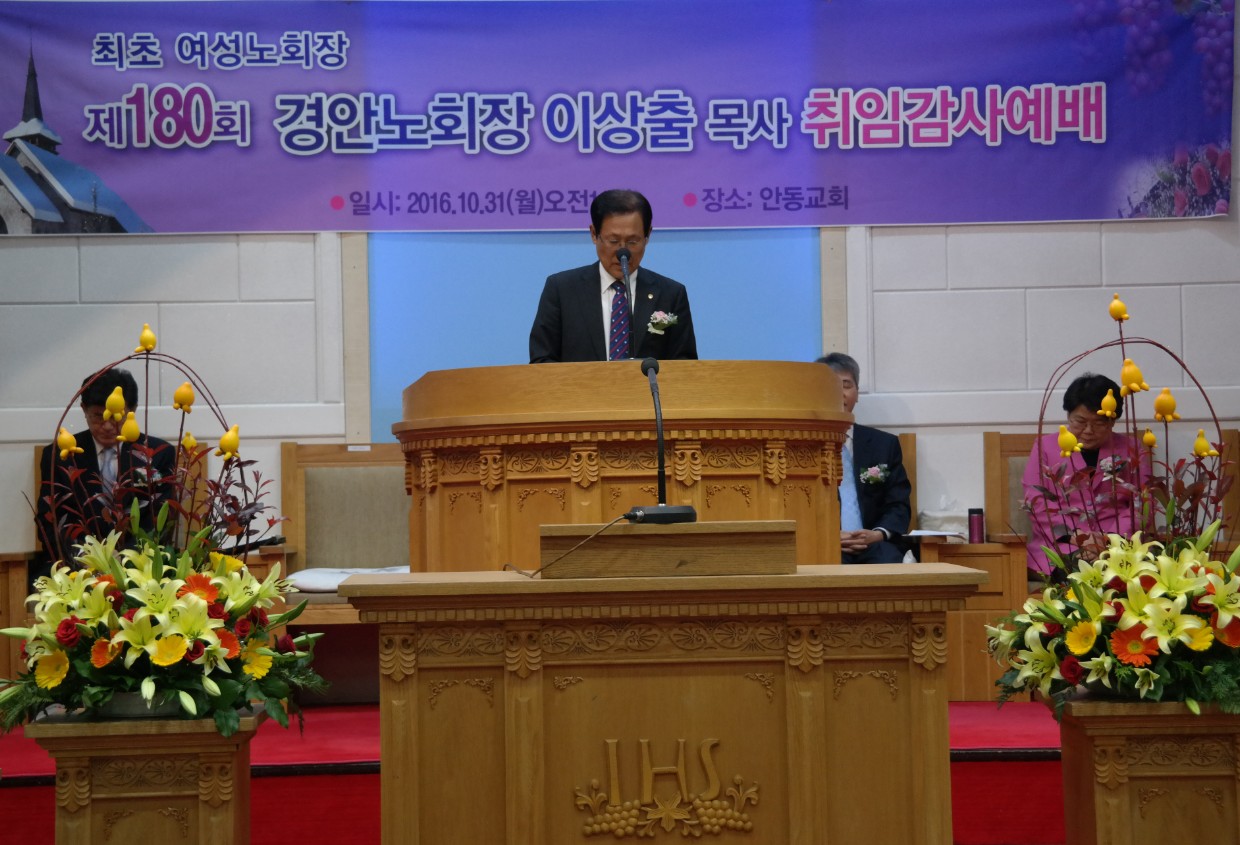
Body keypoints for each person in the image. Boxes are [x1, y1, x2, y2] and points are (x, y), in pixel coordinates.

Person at [529, 189, 698, 363]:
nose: (622, 252)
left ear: (648, 235)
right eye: (613, 241)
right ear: (594, 234)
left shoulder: (670, 294)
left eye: (633, 241)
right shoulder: (561, 290)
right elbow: (542, 361)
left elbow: (685, 365)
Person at [34, 367, 176, 569]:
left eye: (116, 416)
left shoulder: (158, 453)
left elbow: (162, 517)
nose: (108, 426)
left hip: (141, 565)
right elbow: (50, 520)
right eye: (98, 416)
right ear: (84, 409)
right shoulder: (60, 455)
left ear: (133, 410)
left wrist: (128, 558)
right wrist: (85, 558)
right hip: (77, 566)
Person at [1022, 372, 1146, 575]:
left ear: (1113, 421)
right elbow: (1036, 501)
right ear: (1068, 416)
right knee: (1078, 573)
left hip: (1118, 545)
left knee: (1123, 574)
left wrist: (1107, 539)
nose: (1088, 430)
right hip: (1063, 545)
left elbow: (1143, 502)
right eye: (1080, 421)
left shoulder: (1132, 448)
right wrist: (1080, 538)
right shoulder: (1045, 446)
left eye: (1099, 423)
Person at [819, 353, 912, 564]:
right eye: (830, 386)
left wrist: (877, 534)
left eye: (846, 385)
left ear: (857, 393)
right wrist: (829, 536)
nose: (839, 393)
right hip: (825, 543)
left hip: (874, 543)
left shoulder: (884, 445)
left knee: (889, 562)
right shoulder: (801, 447)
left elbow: (898, 503)